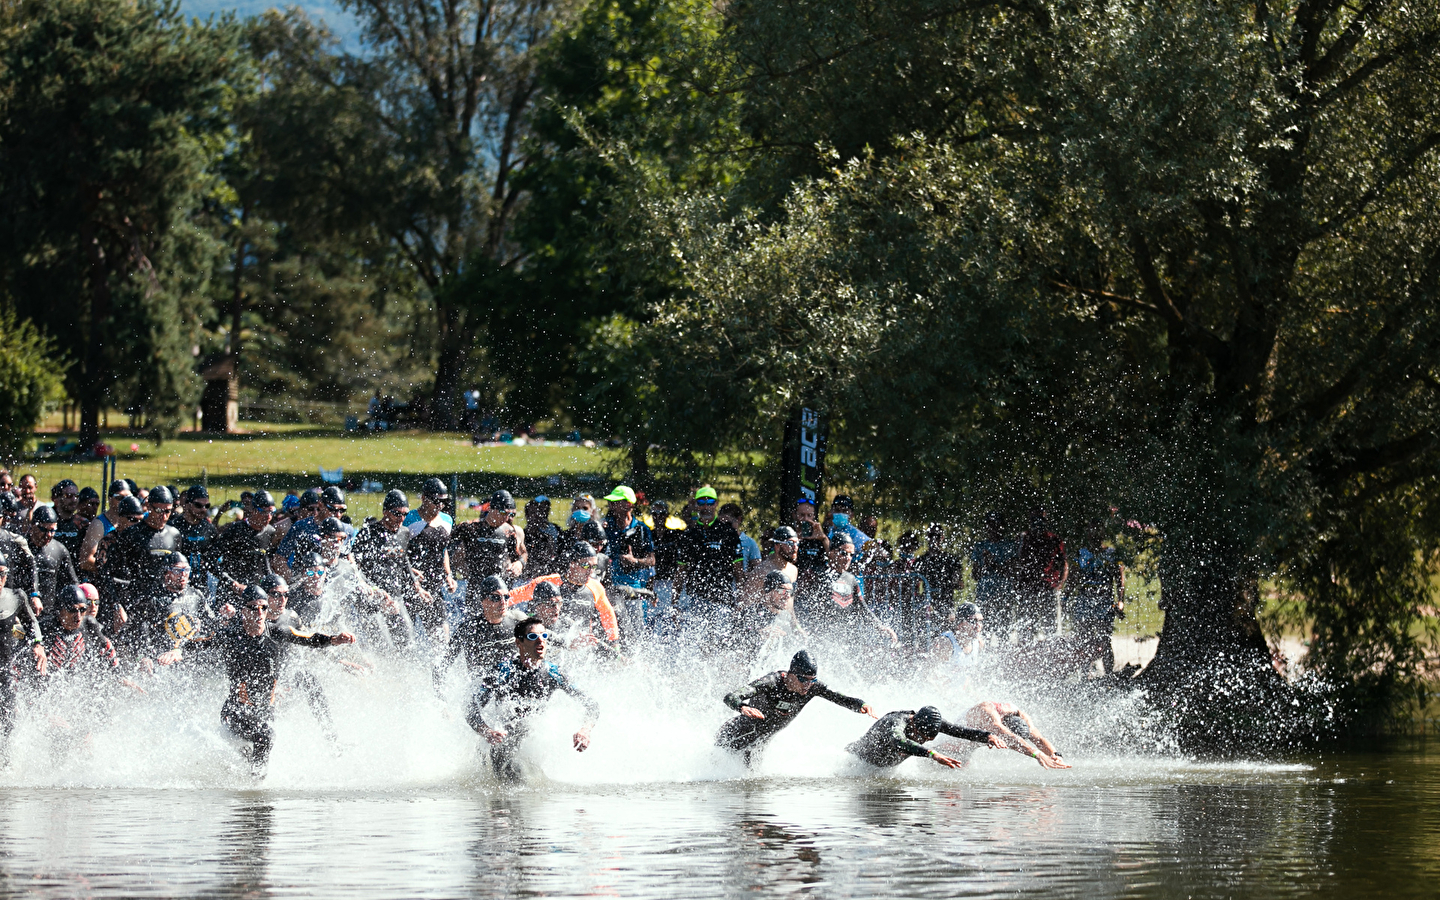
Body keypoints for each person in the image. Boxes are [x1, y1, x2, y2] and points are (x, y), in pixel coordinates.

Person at [171, 584, 356, 775]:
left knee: (259, 742)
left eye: (264, 608)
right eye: (253, 608)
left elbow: (308, 638)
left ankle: (250, 778)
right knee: (265, 736)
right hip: (235, 712)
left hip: (265, 712)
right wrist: (177, 651)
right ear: (243, 611)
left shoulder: (277, 632)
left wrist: (333, 640)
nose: (259, 613)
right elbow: (199, 642)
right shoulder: (230, 635)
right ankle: (257, 782)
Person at [465, 616, 599, 781]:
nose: (540, 641)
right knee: (514, 771)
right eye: (532, 636)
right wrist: (487, 732)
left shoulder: (553, 673)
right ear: (519, 643)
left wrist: (585, 730)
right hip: (502, 742)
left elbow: (592, 705)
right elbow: (470, 708)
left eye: (544, 635)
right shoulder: (503, 672)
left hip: (531, 741)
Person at [715, 650, 872, 765]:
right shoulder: (772, 682)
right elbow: (730, 696)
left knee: (752, 786)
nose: (807, 685)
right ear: (791, 674)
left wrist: (861, 705)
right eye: (803, 680)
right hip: (735, 733)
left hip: (759, 743)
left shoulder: (813, 687)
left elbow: (840, 698)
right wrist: (742, 707)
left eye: (812, 680)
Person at [794, 532, 897, 647]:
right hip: (821, 637)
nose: (848, 558)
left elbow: (862, 607)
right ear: (831, 553)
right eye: (843, 553)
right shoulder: (817, 575)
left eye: (851, 554)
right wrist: (799, 626)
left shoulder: (851, 579)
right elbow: (798, 601)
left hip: (845, 638)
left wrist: (880, 626)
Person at [434, 574, 528, 693]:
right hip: (482, 691)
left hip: (513, 688)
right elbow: (441, 666)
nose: (503, 602)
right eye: (495, 598)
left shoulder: (518, 621)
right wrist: (441, 700)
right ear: (483, 601)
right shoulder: (469, 629)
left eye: (506, 597)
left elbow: (544, 640)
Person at [676, 486, 744, 644]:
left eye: (710, 502)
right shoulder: (689, 535)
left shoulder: (727, 532)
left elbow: (738, 572)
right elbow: (681, 571)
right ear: (696, 505)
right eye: (701, 502)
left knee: (720, 644)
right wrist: (674, 603)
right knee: (700, 644)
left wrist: (740, 601)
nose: (706, 506)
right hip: (697, 599)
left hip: (723, 600)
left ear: (716, 504)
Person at [101, 486, 181, 613]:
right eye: (159, 510)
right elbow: (107, 573)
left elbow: (180, 572)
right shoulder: (131, 535)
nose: (164, 516)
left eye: (168, 511)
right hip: (135, 604)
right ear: (148, 506)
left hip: (165, 604)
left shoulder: (174, 535)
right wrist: (116, 606)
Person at [0, 546, 47, 761]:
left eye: (2, 574)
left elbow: (32, 623)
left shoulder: (16, 597)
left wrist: (38, 644)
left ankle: (5, 763)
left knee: (8, 720)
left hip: (4, 670)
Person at [846, 705, 1002, 769]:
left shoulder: (931, 723)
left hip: (880, 769)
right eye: (920, 737)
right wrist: (932, 754)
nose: (922, 741)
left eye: (927, 740)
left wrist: (987, 736)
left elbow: (959, 731)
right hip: (856, 763)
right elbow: (898, 741)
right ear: (913, 723)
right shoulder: (896, 723)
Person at [1065, 519, 1126, 675]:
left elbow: (1119, 579)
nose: (1094, 534)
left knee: (1105, 640)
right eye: (1092, 531)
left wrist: (1120, 601)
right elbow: (1073, 578)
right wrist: (1065, 597)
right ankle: (1085, 675)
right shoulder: (1081, 553)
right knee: (1083, 640)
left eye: (1098, 530)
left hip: (1104, 602)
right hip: (1085, 601)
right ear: (1088, 533)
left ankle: (1108, 675)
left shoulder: (1111, 555)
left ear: (1103, 533)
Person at [945, 700, 1070, 769]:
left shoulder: (1019, 714)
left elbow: (1038, 738)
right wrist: (1037, 754)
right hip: (948, 745)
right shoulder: (988, 713)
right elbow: (1010, 737)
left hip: (969, 747)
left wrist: (1055, 754)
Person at [404, 478, 456, 639]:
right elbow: (398, 551)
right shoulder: (409, 518)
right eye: (436, 501)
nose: (440, 505)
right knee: (404, 638)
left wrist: (448, 575)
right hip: (409, 586)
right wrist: (410, 570)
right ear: (423, 498)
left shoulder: (447, 520)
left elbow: (443, 550)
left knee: (441, 639)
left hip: (433, 587)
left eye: (444, 501)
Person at [1014, 507, 1067, 641]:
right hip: (1027, 587)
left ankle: (1050, 651)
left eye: (1040, 519)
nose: (1037, 522)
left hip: (1048, 587)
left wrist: (1060, 584)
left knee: (1050, 629)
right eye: (1034, 519)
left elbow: (1064, 563)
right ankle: (1024, 650)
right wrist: (1016, 583)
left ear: (1045, 520)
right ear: (1030, 521)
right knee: (1025, 629)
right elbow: (1015, 561)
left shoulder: (1054, 539)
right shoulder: (1023, 538)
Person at [209, 490, 278, 592]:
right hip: (230, 591)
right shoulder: (236, 530)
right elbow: (210, 560)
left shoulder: (270, 532)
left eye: (271, 512)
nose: (268, 516)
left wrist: (272, 582)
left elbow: (265, 560)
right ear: (253, 510)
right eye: (264, 512)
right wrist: (232, 583)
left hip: (255, 591)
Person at [451, 490, 526, 582]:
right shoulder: (470, 528)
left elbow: (521, 555)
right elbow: (445, 546)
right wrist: (464, 573)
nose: (506, 517)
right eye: (503, 512)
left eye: (510, 514)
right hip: (476, 586)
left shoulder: (509, 531)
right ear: (491, 508)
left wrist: (519, 563)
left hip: (501, 585)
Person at [970, 512, 1019, 640]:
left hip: (1003, 595)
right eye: (990, 524)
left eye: (996, 524)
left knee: (1004, 635)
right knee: (982, 633)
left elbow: (1012, 572)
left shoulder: (1009, 546)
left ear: (1002, 526)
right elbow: (975, 575)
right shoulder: (980, 546)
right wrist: (984, 564)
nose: (993, 528)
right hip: (984, 596)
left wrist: (993, 563)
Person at [28, 505, 77, 618]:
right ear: (33, 525)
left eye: (52, 530)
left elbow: (72, 583)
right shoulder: (21, 547)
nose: (48, 535)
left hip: (48, 614)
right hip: (23, 612)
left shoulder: (60, 550)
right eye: (44, 530)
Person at [77, 480, 132, 574]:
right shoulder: (99, 524)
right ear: (110, 499)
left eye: (128, 497)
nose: (124, 501)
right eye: (119, 497)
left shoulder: (134, 520)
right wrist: (113, 573)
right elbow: (86, 561)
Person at [172, 485, 218, 587]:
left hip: (202, 586)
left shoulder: (209, 529)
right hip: (178, 585)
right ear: (188, 504)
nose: (203, 509)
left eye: (207, 506)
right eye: (198, 505)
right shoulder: (174, 527)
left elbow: (214, 559)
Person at [742, 526, 799, 603]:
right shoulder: (762, 571)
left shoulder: (793, 570)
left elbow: (790, 604)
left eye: (797, 543)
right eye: (790, 543)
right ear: (777, 546)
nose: (795, 547)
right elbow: (742, 603)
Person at [930, 603, 984, 681]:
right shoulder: (945, 643)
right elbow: (928, 676)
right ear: (960, 624)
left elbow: (969, 678)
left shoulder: (978, 643)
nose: (978, 625)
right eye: (973, 621)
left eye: (980, 621)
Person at [521, 496, 561, 578]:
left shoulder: (546, 538)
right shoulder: (521, 536)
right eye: (532, 513)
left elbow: (551, 558)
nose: (534, 516)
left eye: (537, 513)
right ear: (526, 515)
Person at [55, 486, 98, 560]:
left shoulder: (85, 525)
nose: (95, 507)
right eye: (91, 503)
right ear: (80, 505)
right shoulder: (52, 522)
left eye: (97, 504)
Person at [718, 504, 761, 571]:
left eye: (728, 524)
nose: (725, 527)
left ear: (739, 519)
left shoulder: (750, 543)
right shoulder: (717, 541)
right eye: (721, 524)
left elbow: (757, 570)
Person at [827, 495, 871, 559]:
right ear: (831, 512)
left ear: (852, 515)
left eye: (845, 511)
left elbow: (874, 548)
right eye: (837, 510)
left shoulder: (856, 534)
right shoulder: (830, 531)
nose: (840, 513)